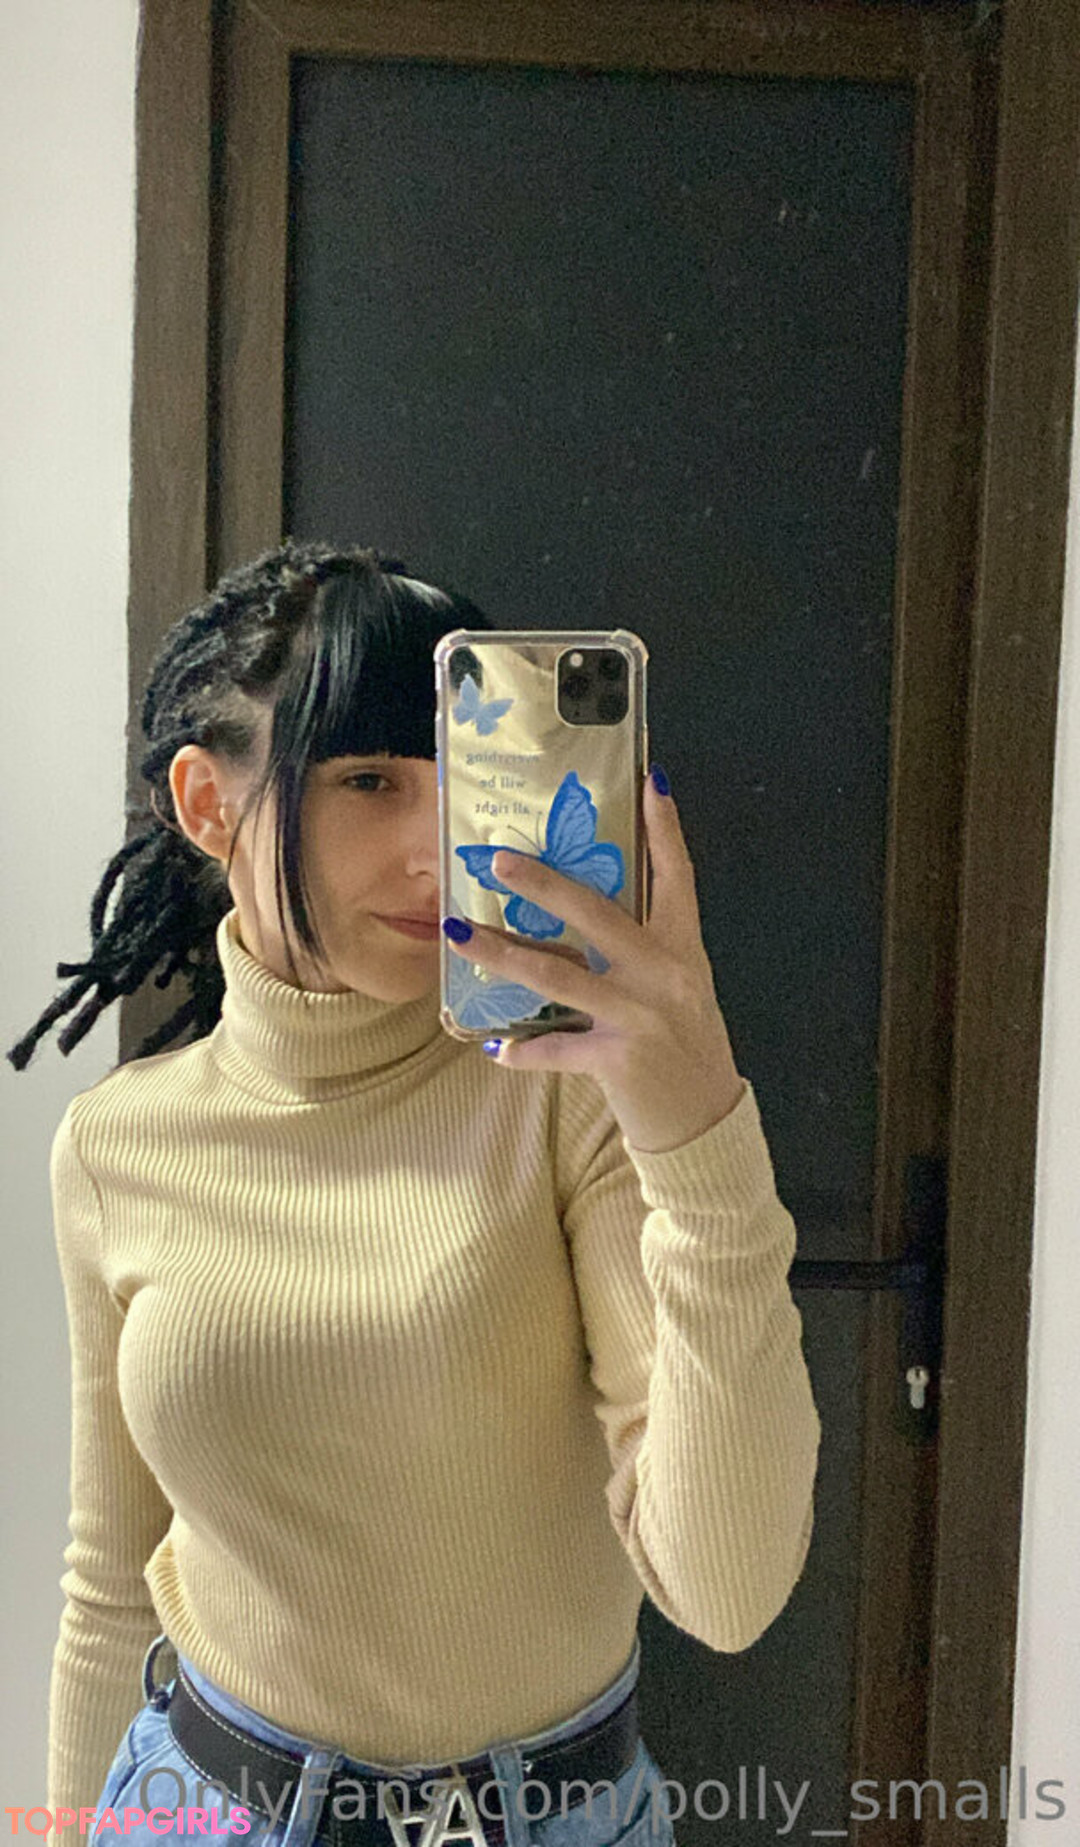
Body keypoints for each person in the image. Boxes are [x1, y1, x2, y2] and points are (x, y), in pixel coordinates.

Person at [9, 540, 821, 1847]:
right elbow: (110, 1585)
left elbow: (727, 1591)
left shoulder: (562, 1093)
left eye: (465, 779)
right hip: (197, 1807)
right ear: (209, 804)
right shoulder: (118, 1144)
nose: (436, 846)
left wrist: (699, 1132)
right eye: (370, 780)